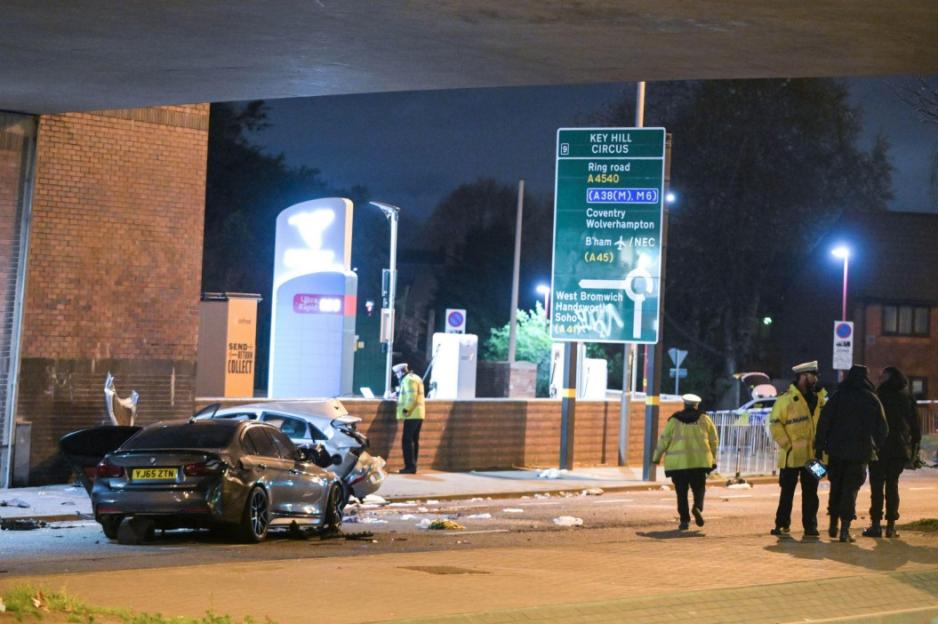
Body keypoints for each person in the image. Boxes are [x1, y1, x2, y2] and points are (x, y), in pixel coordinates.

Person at [815, 364, 888, 542]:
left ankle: (833, 523)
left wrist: (820, 445)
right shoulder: (871, 398)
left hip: (836, 451)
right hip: (860, 452)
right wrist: (875, 446)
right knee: (850, 489)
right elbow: (883, 427)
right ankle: (845, 530)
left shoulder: (839, 396)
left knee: (836, 486)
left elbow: (824, 421)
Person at [768, 360, 827, 537]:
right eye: (813, 375)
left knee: (812, 493)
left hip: (814, 455)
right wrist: (787, 445)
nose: (816, 379)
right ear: (803, 376)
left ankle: (811, 527)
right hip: (791, 456)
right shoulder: (786, 399)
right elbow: (775, 424)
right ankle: (781, 524)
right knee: (787, 492)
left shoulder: (821, 398)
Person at [862, 367, 921, 538]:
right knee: (892, 485)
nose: (879, 378)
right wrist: (914, 446)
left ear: (888, 377)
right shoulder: (906, 397)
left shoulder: (878, 396)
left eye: (882, 375)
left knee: (877, 487)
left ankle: (875, 525)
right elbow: (916, 425)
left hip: (879, 448)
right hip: (899, 449)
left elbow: (869, 422)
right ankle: (890, 526)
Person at [652, 393, 719, 531]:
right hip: (699, 463)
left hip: (678, 465)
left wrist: (656, 457)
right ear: (697, 405)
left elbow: (663, 440)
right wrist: (713, 458)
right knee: (699, 488)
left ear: (684, 404)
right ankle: (697, 507)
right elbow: (714, 440)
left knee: (681, 493)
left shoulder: (674, 420)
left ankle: (684, 521)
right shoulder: (705, 419)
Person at [393, 362, 425, 474]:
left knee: (407, 440)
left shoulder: (408, 380)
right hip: (419, 414)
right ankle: (413, 466)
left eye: (397, 373)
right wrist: (397, 394)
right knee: (413, 440)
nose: (397, 376)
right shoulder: (415, 377)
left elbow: (412, 397)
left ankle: (409, 467)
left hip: (412, 414)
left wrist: (406, 410)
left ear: (401, 372)